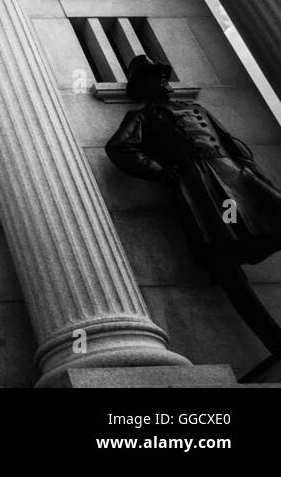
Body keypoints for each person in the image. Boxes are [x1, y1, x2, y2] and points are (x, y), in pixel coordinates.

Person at [106, 54, 281, 354]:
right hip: (199, 185)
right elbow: (119, 147)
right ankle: (274, 340)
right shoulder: (143, 117)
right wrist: (161, 171)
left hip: (238, 178)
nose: (162, 79)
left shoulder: (196, 108)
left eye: (162, 74)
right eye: (153, 76)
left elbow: (231, 142)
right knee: (223, 260)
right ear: (141, 86)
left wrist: (255, 175)